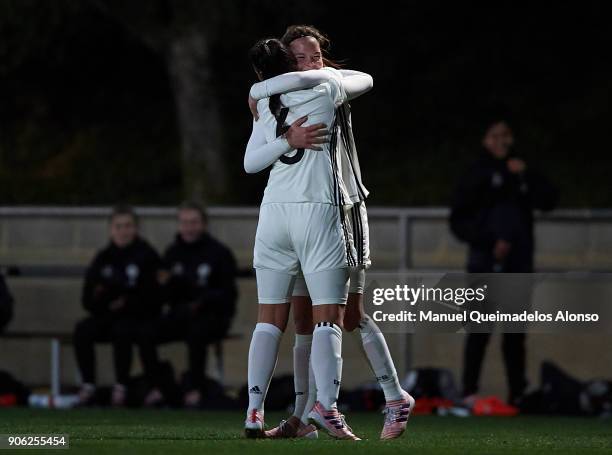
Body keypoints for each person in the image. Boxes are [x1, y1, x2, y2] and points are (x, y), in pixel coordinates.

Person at [247, 25, 414, 441]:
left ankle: (394, 396)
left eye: (315, 55)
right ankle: (304, 417)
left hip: (343, 207)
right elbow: (253, 157)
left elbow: (363, 78)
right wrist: (283, 131)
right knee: (305, 317)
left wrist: (262, 88)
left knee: (345, 313)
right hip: (302, 214)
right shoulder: (279, 98)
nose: (309, 63)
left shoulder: (328, 86)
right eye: (299, 57)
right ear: (286, 61)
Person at [450, 114, 558, 406]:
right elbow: (458, 220)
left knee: (514, 334)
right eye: (494, 135)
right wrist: (488, 242)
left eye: (505, 135)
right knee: (479, 331)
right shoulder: (476, 173)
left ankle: (518, 394)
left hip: (519, 265)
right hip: (484, 265)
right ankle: (469, 393)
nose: (501, 141)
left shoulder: (521, 169)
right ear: (485, 139)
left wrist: (526, 175)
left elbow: (549, 200)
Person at [139, 201, 238, 407]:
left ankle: (196, 389)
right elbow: (164, 294)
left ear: (203, 224)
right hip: (181, 315)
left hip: (211, 316)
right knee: (145, 332)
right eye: (184, 222)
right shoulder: (172, 253)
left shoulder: (219, 253)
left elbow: (228, 294)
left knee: (197, 332)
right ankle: (158, 387)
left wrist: (202, 301)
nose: (189, 227)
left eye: (194, 222)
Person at [73, 205, 162, 406]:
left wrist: (127, 302)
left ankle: (122, 385)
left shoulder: (147, 255)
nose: (123, 231)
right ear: (111, 229)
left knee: (124, 330)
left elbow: (154, 296)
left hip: (137, 317)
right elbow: (88, 298)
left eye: (128, 226)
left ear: (136, 228)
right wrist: (106, 302)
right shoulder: (103, 258)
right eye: (118, 226)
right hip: (107, 315)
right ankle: (88, 384)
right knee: (82, 329)